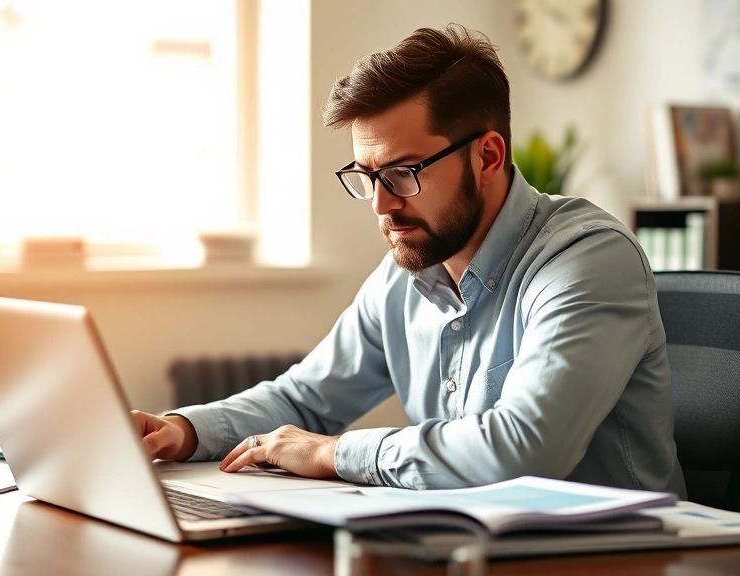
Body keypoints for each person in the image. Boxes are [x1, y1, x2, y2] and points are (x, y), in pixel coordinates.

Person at [133, 24, 686, 496]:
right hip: (468, 545)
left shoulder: (586, 261)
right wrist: (181, 429)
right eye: (366, 176)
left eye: (402, 172)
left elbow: (524, 449)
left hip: (611, 556)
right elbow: (306, 399)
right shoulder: (410, 268)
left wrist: (336, 454)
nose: (381, 204)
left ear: (488, 155)